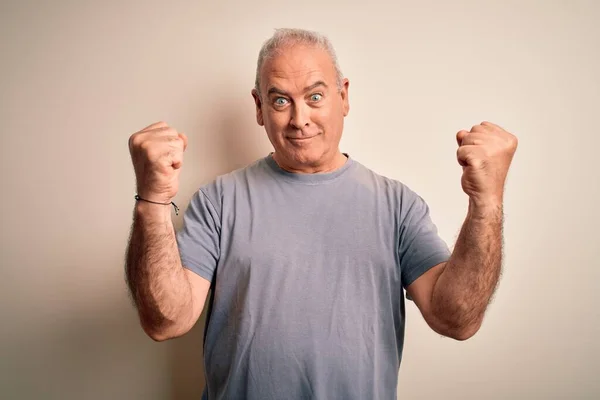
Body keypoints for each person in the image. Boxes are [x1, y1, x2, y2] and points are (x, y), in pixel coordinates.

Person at [125, 28, 518, 399]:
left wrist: (487, 204)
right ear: (259, 108)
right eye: (280, 100)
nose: (299, 119)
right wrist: (153, 200)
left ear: (343, 97)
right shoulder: (218, 201)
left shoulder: (397, 205)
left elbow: (457, 319)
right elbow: (167, 321)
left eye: (315, 96)